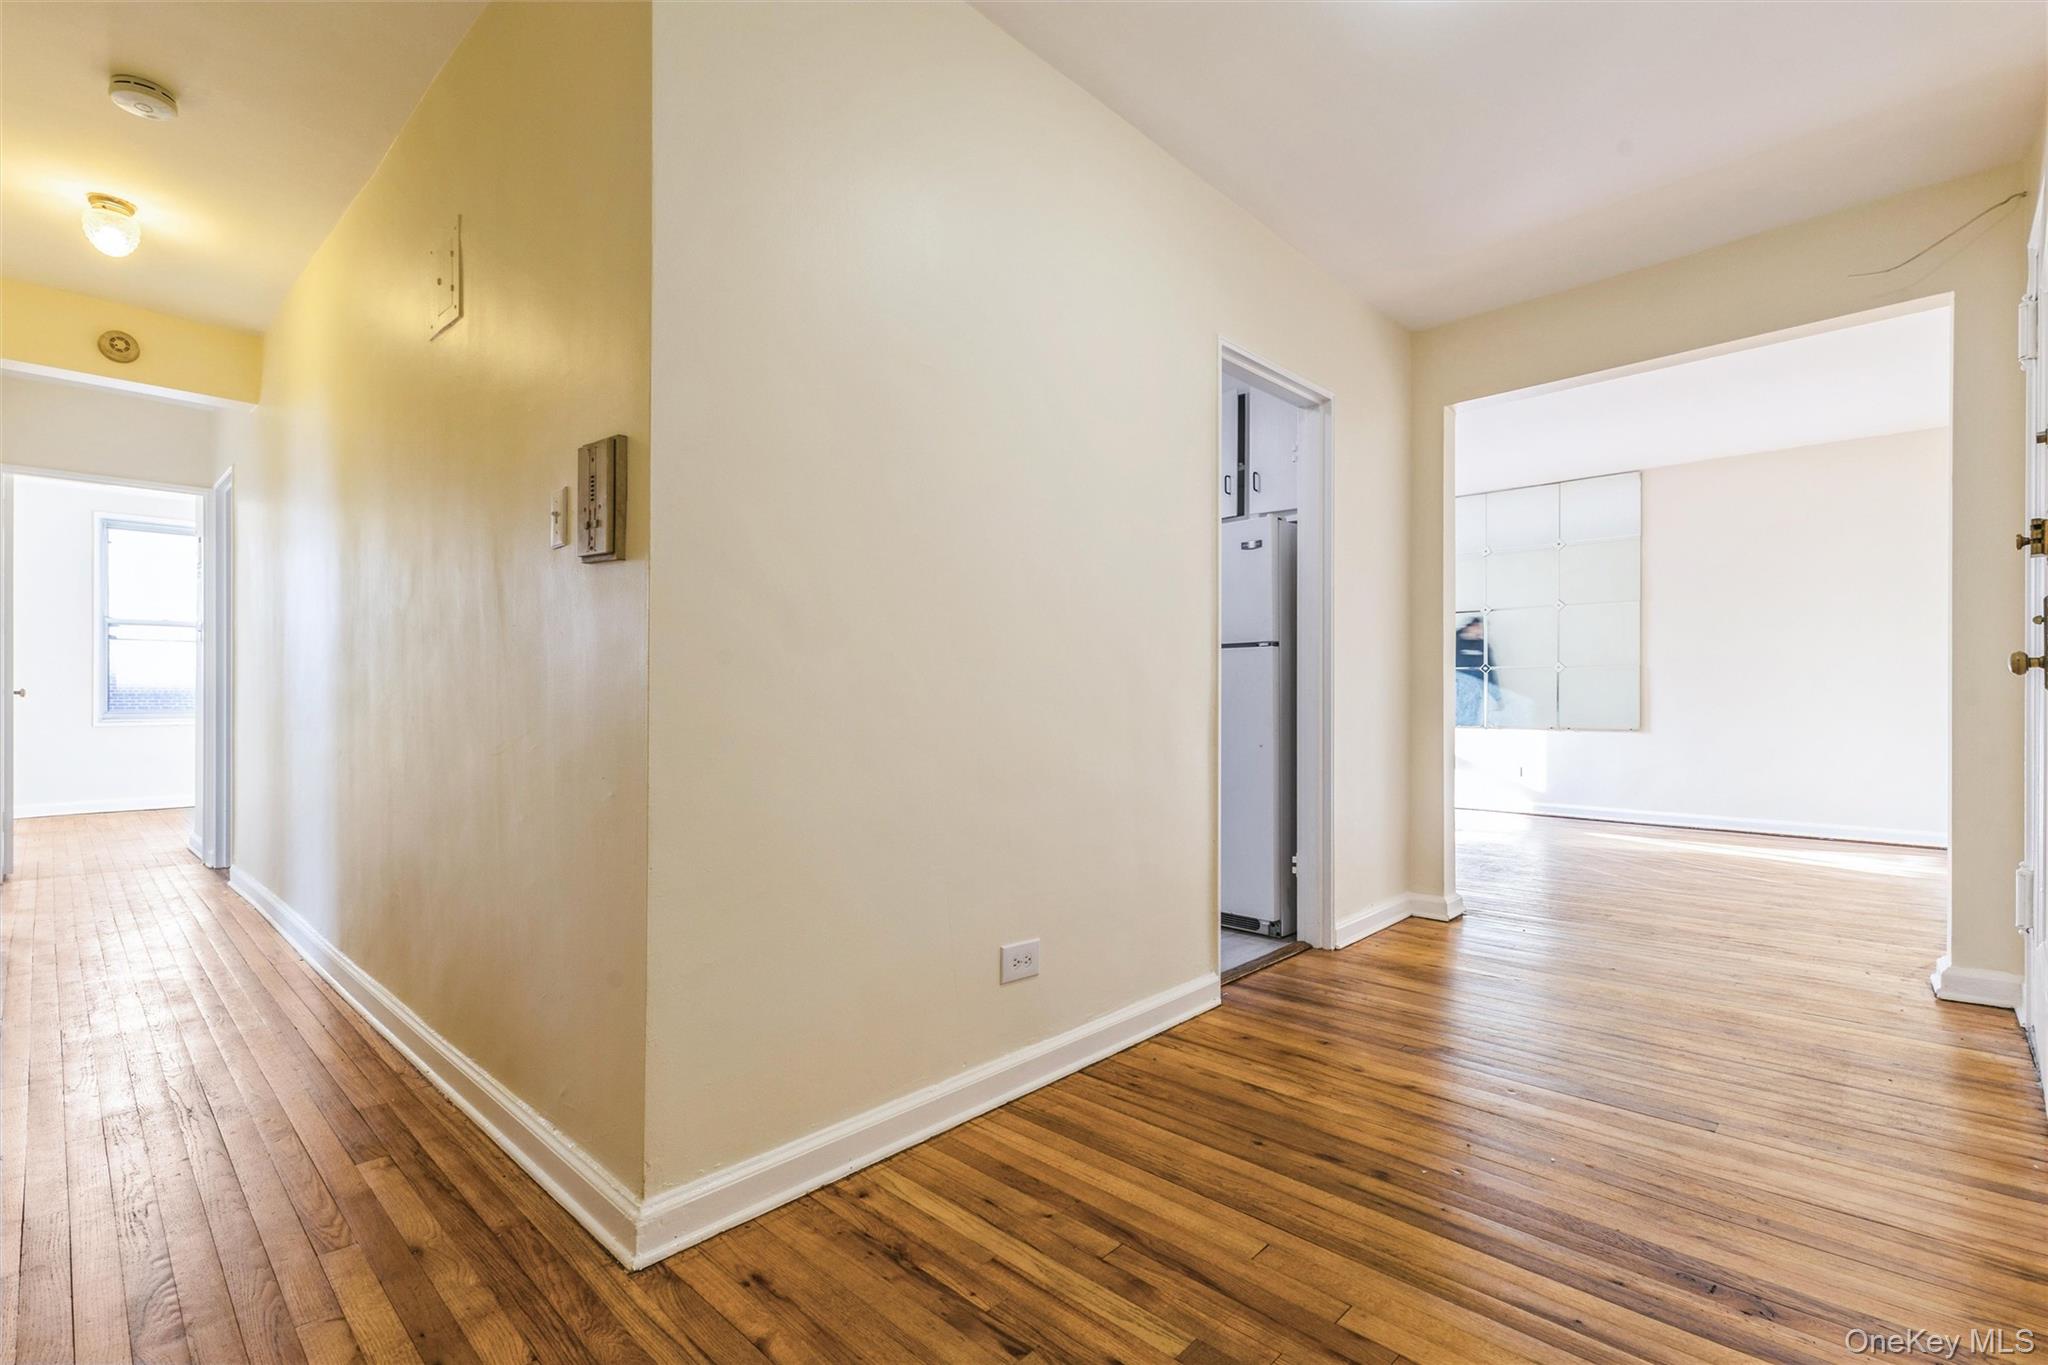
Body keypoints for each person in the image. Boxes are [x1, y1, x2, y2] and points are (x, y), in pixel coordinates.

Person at [1454, 615, 1494, 726]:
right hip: (1457, 688)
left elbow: (1490, 670)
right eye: (1480, 628)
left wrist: (1496, 695)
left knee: (1472, 718)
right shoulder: (1453, 642)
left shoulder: (1482, 645)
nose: (1481, 632)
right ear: (1473, 626)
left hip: (1476, 690)